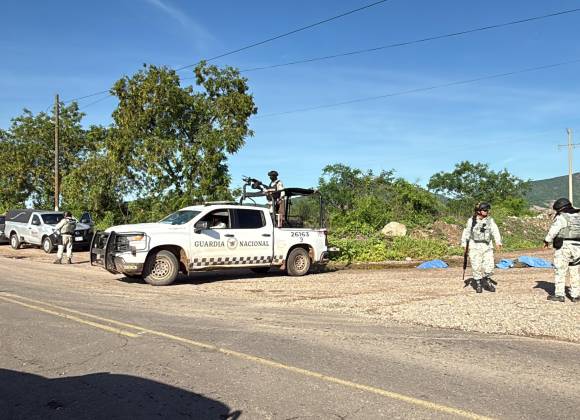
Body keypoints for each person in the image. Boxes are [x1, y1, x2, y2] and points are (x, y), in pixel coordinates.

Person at [543, 197, 580, 303]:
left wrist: (547, 241)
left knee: (560, 270)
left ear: (560, 208)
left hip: (564, 247)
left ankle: (559, 295)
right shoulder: (578, 216)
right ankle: (576, 295)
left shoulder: (561, 217)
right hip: (578, 247)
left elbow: (553, 231)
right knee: (575, 271)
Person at [461, 202, 502, 293]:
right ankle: (478, 283)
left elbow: (495, 231)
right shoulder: (471, 221)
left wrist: (498, 242)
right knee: (476, 265)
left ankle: (487, 280)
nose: (487, 211)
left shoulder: (490, 220)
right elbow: (466, 232)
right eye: (484, 210)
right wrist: (464, 244)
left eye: (487, 210)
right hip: (474, 246)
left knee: (489, 265)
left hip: (487, 246)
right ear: (479, 211)